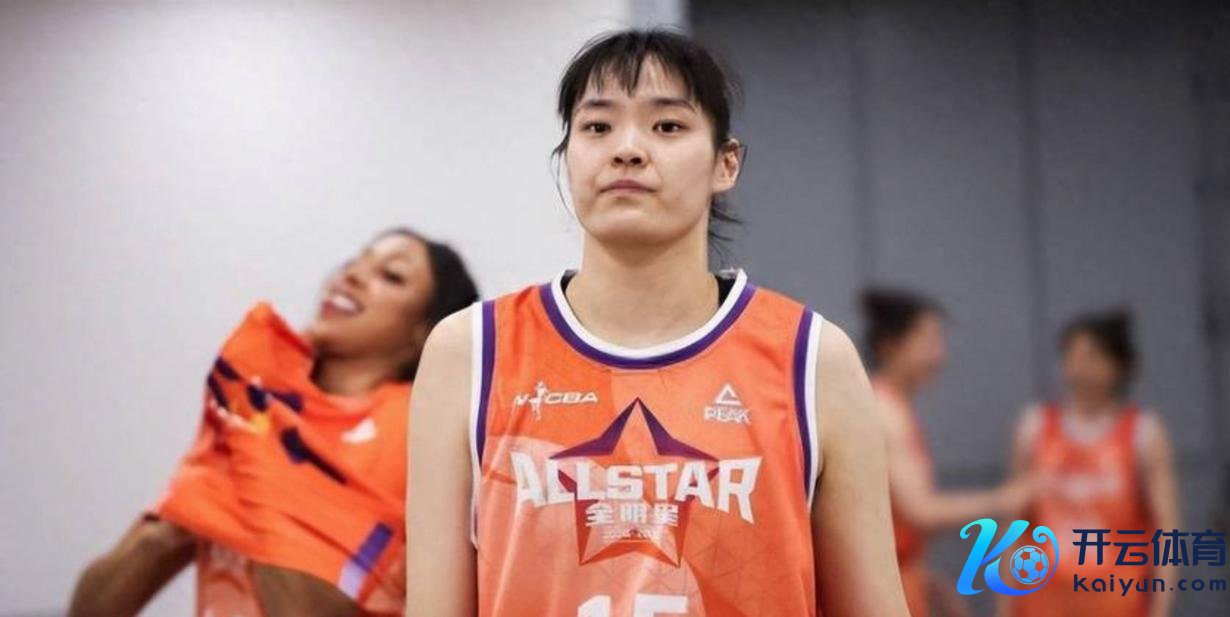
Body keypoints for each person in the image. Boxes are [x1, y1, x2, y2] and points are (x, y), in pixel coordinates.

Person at [407, 30, 908, 616]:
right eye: (597, 126)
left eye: (667, 126)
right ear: (567, 158)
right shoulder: (471, 351)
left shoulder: (812, 358)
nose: (627, 149)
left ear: (726, 163)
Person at [69, 228, 478, 617]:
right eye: (355, 262)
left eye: (391, 276)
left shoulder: (412, 425)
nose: (352, 275)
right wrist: (175, 524)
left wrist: (257, 460)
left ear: (424, 332)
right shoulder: (256, 407)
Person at [861, 288, 1030, 617]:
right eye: (928, 342)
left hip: (896, 579)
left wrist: (927, 581)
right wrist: (1004, 499)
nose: (940, 355)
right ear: (890, 345)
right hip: (882, 589)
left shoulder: (891, 406)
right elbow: (920, 511)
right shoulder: (884, 411)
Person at [1005, 310, 1178, 617]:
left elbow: (1167, 528)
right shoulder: (1034, 427)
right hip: (1044, 602)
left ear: (1120, 366)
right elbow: (1014, 523)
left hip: (1118, 602)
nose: (1079, 367)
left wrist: (1160, 608)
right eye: (1071, 356)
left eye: (1091, 357)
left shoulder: (1143, 432)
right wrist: (1004, 604)